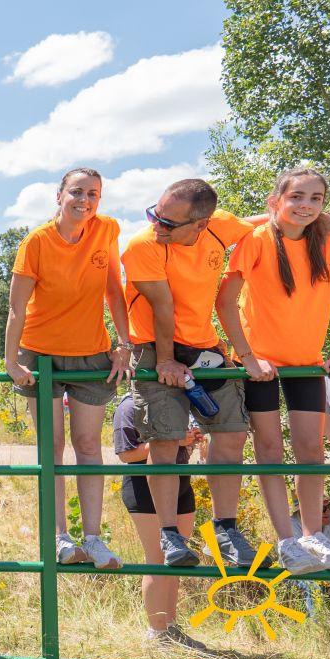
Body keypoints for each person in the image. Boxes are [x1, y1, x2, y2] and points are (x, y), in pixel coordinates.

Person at [121, 179, 268, 568]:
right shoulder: (142, 246)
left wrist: (321, 221)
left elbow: (263, 221)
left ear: (201, 224)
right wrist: (166, 361)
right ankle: (170, 534)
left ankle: (226, 528)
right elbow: (162, 306)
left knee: (232, 432)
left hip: (204, 346)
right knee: (165, 439)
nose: (157, 226)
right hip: (154, 346)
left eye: (168, 223)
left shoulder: (218, 227)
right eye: (154, 214)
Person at [216, 167, 330, 574]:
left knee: (312, 450)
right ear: (276, 201)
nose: (306, 205)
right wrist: (248, 356)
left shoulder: (326, 242)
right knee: (270, 449)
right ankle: (287, 541)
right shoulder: (256, 240)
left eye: (316, 199)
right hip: (261, 367)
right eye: (297, 197)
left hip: (307, 364)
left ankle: (312, 535)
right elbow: (224, 301)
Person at [4, 168, 131, 569]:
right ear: (59, 195)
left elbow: (114, 290)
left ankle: (93, 539)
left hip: (90, 352)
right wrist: (10, 360)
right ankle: (60, 537)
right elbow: (16, 307)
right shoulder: (36, 242)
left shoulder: (106, 229)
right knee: (52, 446)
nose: (85, 200)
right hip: (40, 354)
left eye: (93, 194)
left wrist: (124, 345)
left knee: (89, 445)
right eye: (77, 192)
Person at [112, 394, 208, 650]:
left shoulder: (179, 402)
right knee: (156, 559)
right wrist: (174, 440)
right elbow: (126, 454)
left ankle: (170, 628)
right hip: (144, 488)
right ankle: (156, 633)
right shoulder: (129, 406)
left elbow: (180, 449)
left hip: (181, 484)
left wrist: (192, 441)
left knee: (177, 559)